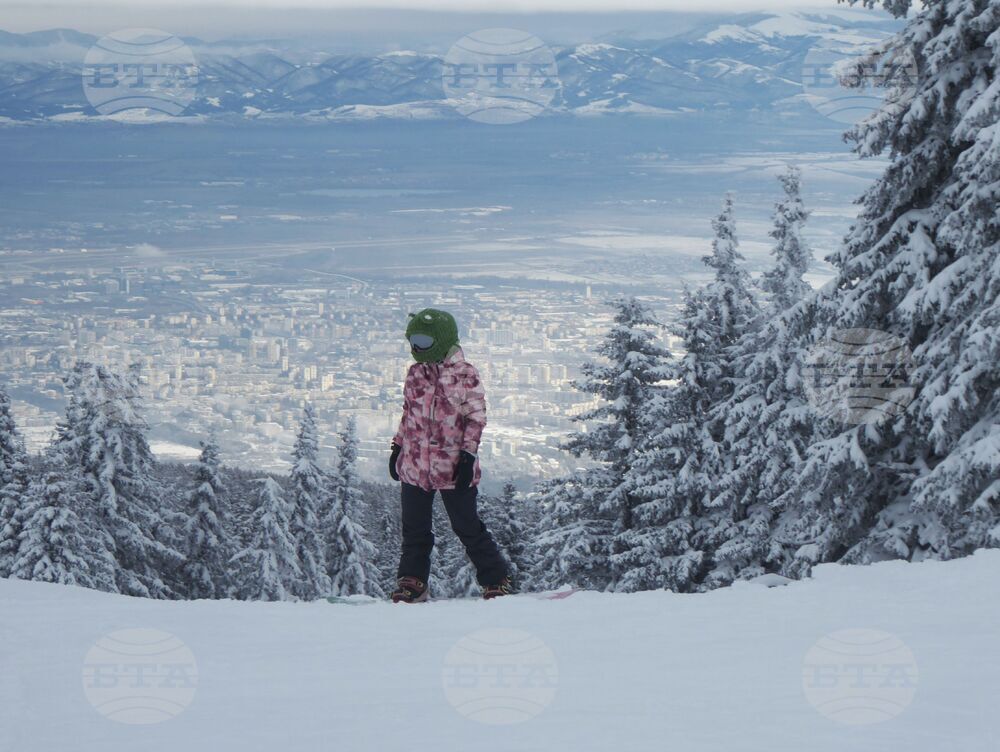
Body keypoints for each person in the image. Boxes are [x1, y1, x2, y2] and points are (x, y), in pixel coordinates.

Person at [388, 308, 511, 602]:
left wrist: (468, 455)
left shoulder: (464, 374)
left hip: (452, 467)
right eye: (413, 340)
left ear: (441, 340)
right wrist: (397, 446)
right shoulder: (415, 373)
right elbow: (409, 415)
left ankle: (496, 577)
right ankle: (413, 581)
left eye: (423, 340)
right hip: (416, 466)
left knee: (467, 525)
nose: (416, 347)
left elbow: (476, 418)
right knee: (414, 529)